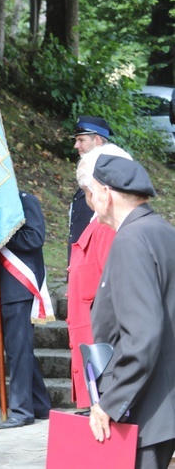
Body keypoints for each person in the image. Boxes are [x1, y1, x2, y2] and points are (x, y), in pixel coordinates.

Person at [87, 155, 175, 468]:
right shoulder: (162, 230)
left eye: (92, 192)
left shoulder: (131, 239)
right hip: (162, 405)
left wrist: (110, 402)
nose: (91, 201)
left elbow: (143, 334)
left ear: (106, 194)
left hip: (145, 409)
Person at [66, 144, 130, 409]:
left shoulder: (108, 230)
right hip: (96, 354)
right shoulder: (98, 224)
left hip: (107, 359)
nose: (87, 198)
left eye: (88, 191)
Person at [0, 190, 52, 429]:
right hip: (3, 285)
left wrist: (3, 233)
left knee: (18, 350)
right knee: (17, 349)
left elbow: (35, 237)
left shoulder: (25, 200)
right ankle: (41, 405)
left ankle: (22, 411)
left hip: (21, 285)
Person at [68, 116, 111, 263]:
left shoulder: (109, 176)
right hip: (82, 260)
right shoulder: (91, 173)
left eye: (81, 140)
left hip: (96, 262)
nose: (76, 145)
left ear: (97, 140)